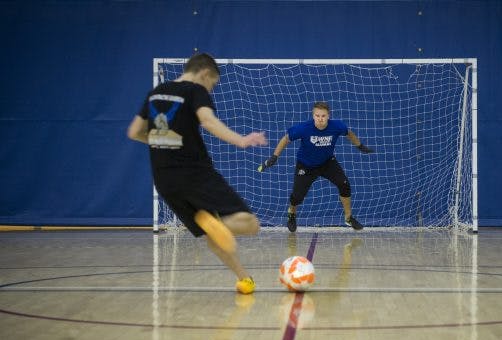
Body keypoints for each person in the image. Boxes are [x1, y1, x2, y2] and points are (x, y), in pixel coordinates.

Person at [127, 53, 267, 294]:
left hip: (164, 179)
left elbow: (135, 132)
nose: (211, 90)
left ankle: (244, 278)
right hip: (194, 173)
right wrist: (242, 140)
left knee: (212, 233)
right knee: (250, 223)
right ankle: (216, 224)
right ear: (204, 74)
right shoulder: (194, 90)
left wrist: (163, 141)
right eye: (212, 84)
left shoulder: (156, 92)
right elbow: (208, 121)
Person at [259, 101, 373, 232]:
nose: (320, 119)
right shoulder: (304, 128)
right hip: (306, 165)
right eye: (317, 116)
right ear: (313, 116)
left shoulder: (337, 126)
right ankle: (292, 213)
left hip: (327, 162)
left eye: (323, 116)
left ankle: (348, 217)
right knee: (297, 196)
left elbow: (349, 133)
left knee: (344, 184)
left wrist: (360, 146)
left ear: (328, 116)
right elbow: (286, 139)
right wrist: (275, 156)